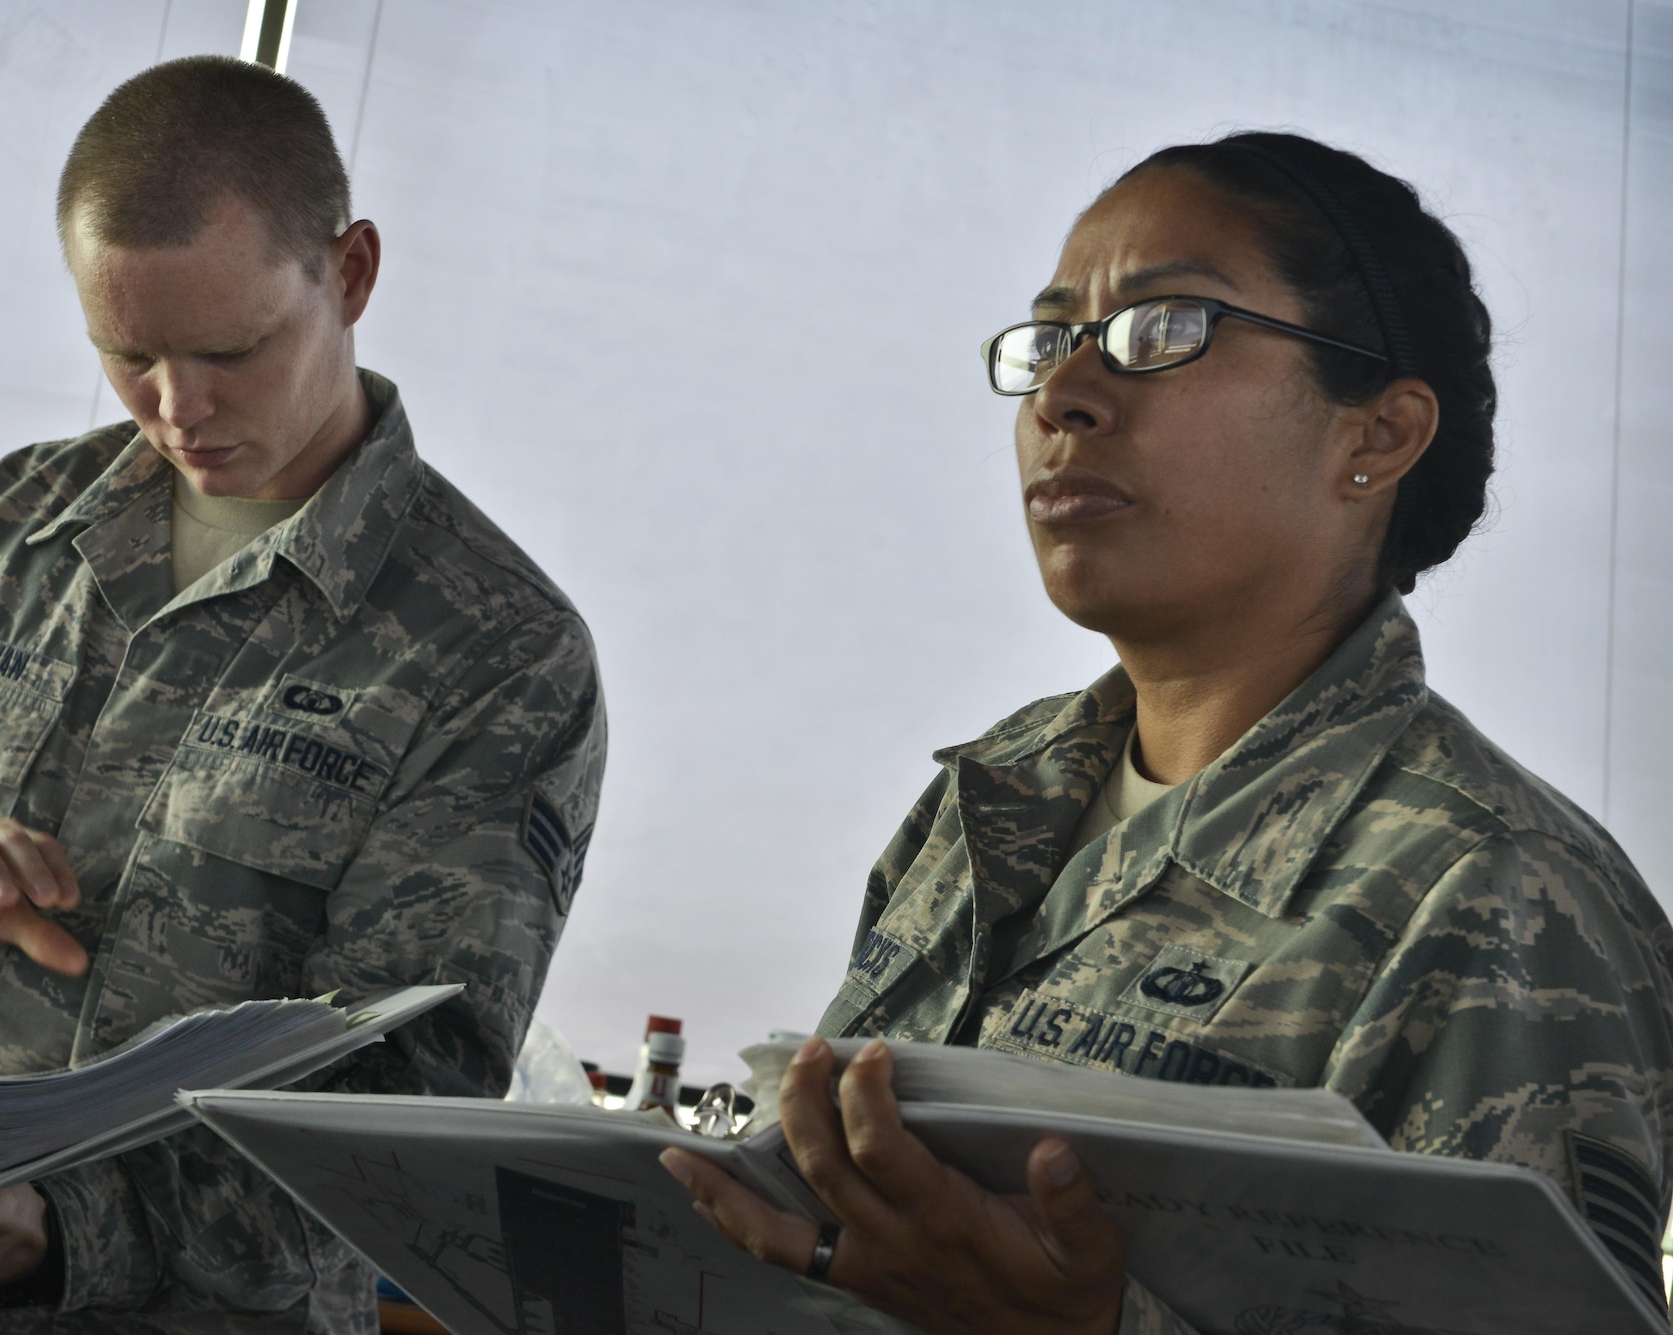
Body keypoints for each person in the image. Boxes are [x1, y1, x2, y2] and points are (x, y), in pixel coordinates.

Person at [662, 130, 1673, 1335]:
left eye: (1164, 329)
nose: (1061, 397)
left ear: (1377, 435)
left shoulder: (1500, 892)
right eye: (1051, 340)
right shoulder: (988, 799)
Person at [0, 55, 605, 1335]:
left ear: (348, 274)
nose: (178, 410)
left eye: (230, 351)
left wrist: (58, 1234)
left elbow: (401, 1118)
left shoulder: (497, 654)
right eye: (125, 355)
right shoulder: (5, 527)